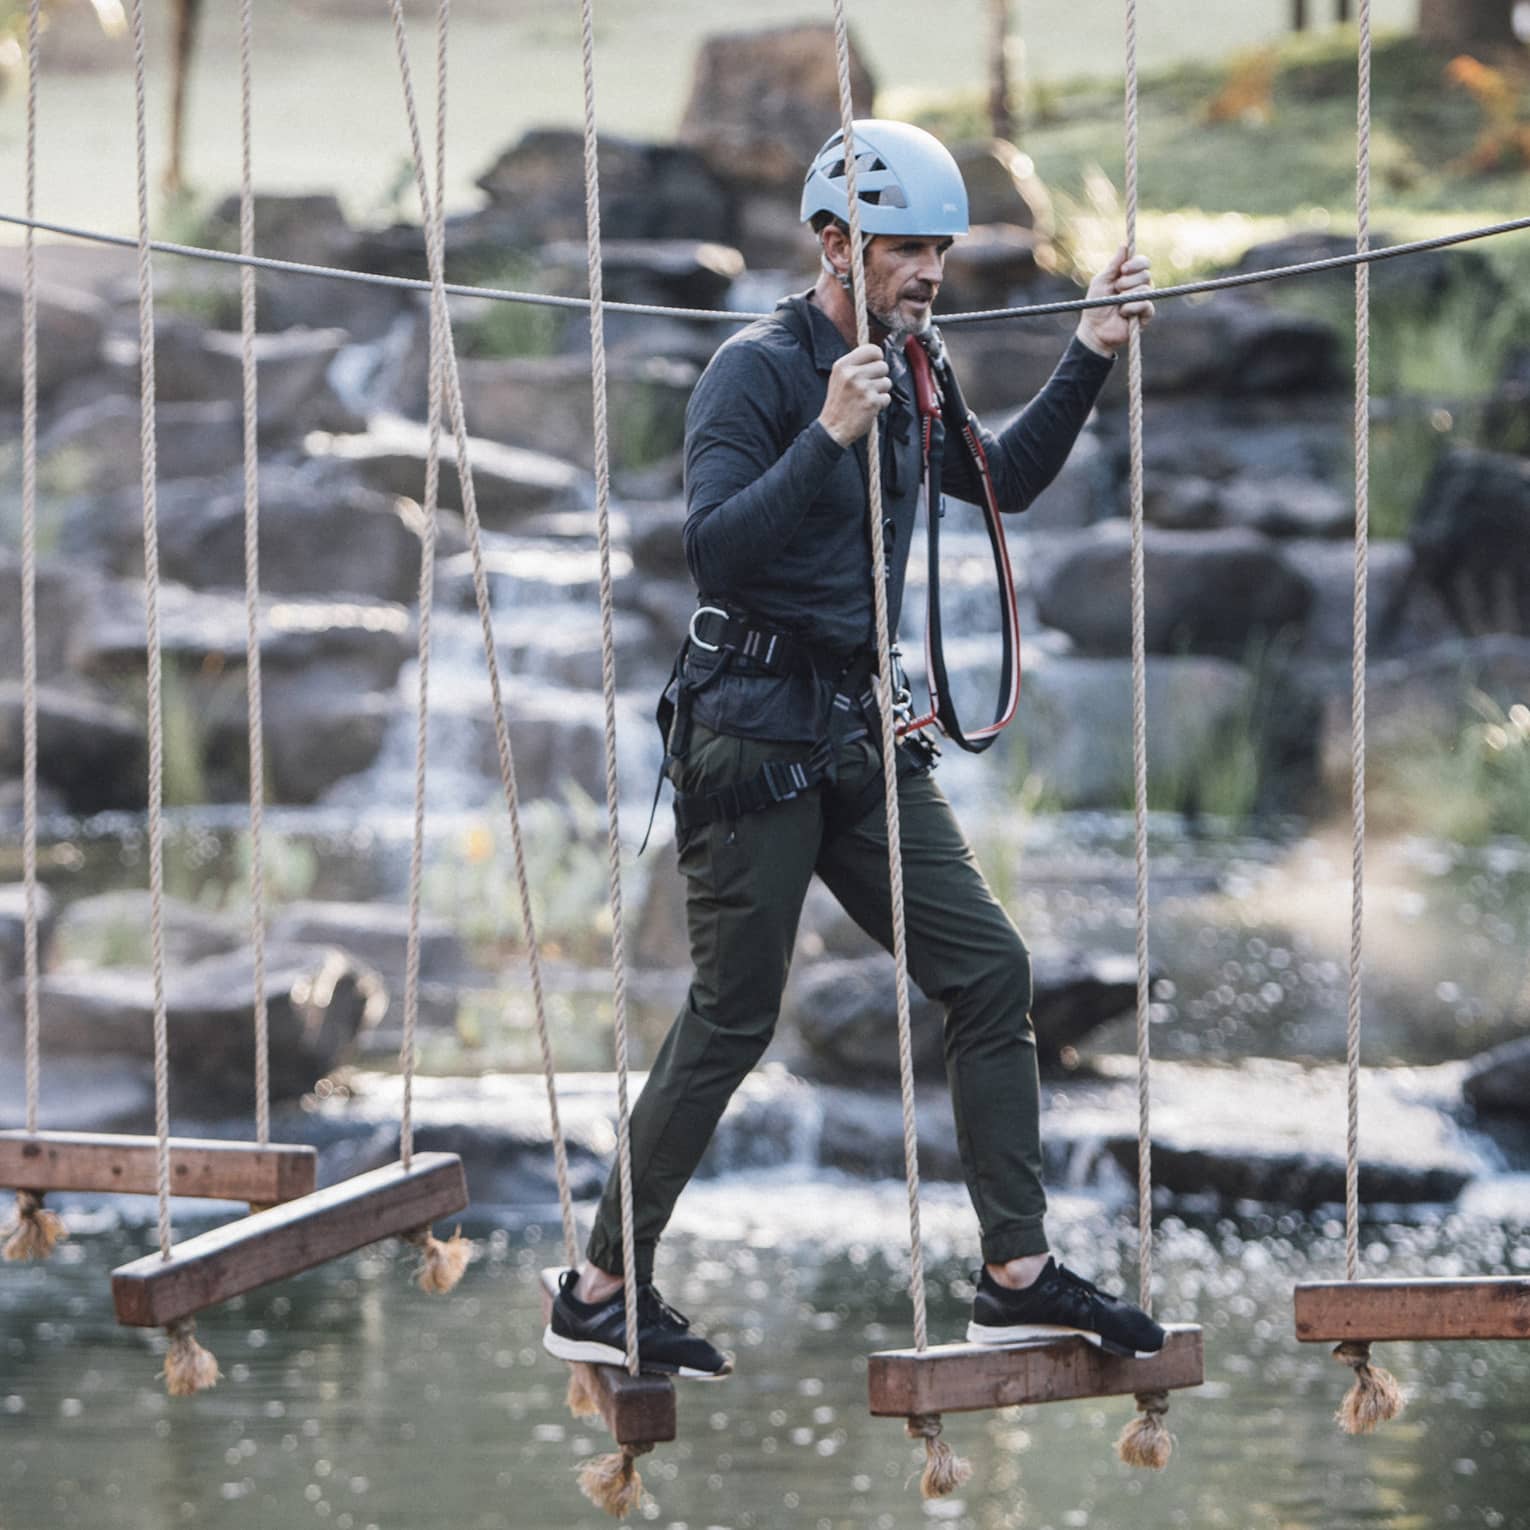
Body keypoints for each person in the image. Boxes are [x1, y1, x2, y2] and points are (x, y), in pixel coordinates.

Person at [544, 120, 1161, 1379]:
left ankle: (1016, 1275)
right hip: (749, 738)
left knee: (990, 972)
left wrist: (1090, 350)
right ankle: (599, 1286)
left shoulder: (922, 366)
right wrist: (824, 432)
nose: (931, 271)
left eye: (940, 248)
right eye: (906, 250)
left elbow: (1005, 485)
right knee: (732, 1020)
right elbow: (712, 549)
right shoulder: (757, 372)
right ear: (837, 244)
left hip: (857, 738)